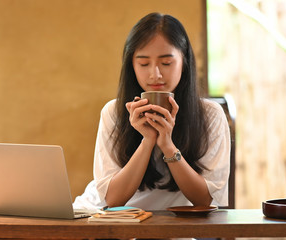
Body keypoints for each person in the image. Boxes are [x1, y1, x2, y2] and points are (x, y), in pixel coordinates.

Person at [73, 13, 230, 210]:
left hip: (171, 227)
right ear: (132, 65)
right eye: (144, 63)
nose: (155, 74)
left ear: (184, 61)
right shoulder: (113, 112)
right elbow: (113, 200)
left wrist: (167, 145)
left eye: (166, 63)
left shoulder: (209, 115)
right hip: (107, 218)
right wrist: (147, 141)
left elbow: (204, 200)